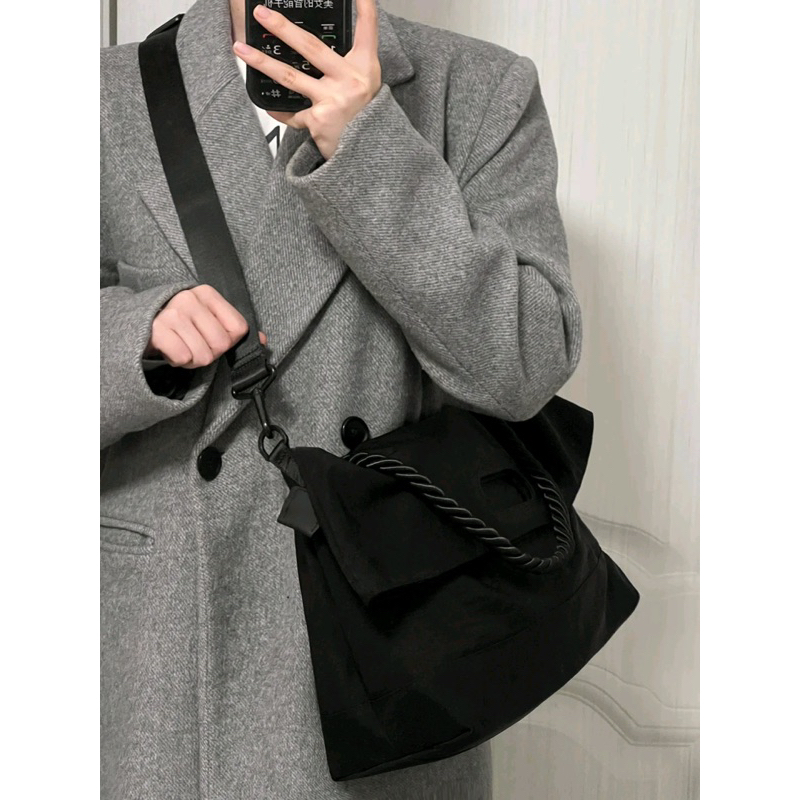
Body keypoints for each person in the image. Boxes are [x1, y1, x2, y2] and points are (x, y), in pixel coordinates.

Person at [100, 0, 583, 797]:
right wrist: (138, 339)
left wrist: (368, 147)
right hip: (167, 647)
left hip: (385, 638)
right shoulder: (107, 94)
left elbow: (524, 366)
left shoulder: (481, 91)